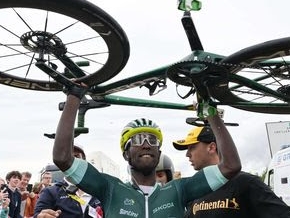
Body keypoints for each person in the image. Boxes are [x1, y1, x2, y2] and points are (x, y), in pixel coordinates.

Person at [51, 84, 241, 218]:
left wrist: (212, 114)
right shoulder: (109, 188)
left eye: (152, 140)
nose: (146, 144)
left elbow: (230, 166)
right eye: (137, 140)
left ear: (159, 152)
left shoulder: (179, 190)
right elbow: (62, 158)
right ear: (126, 153)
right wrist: (73, 98)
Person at [173, 125, 290, 218]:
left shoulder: (245, 183)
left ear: (211, 147)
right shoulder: (193, 190)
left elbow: (281, 215)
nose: (188, 154)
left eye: (192, 147)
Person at [35, 145, 103, 218]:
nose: (72, 161)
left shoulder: (98, 192)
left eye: (76, 156)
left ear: (84, 162)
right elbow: (38, 215)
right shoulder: (50, 192)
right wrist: (40, 216)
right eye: (67, 157)